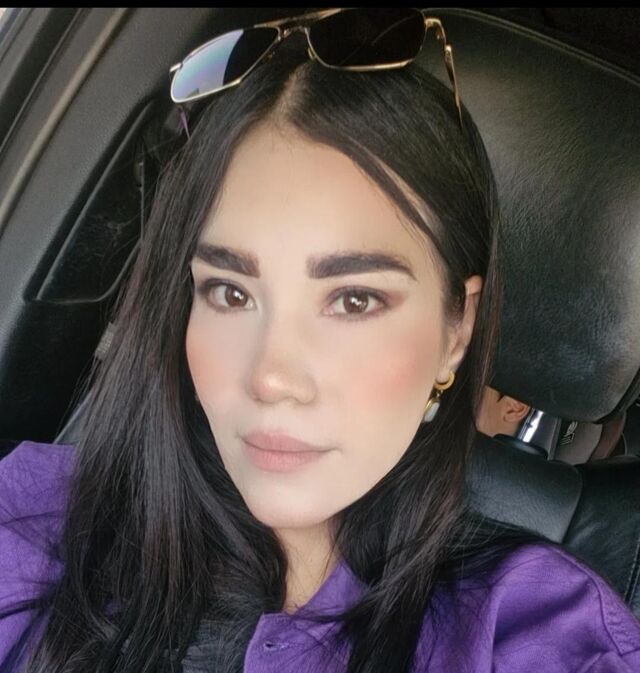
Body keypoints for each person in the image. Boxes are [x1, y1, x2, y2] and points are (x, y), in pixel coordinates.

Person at [1, 8, 640, 673]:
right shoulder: (36, 528)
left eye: (354, 300)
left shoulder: (539, 633)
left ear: (457, 330)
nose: (271, 376)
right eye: (230, 293)